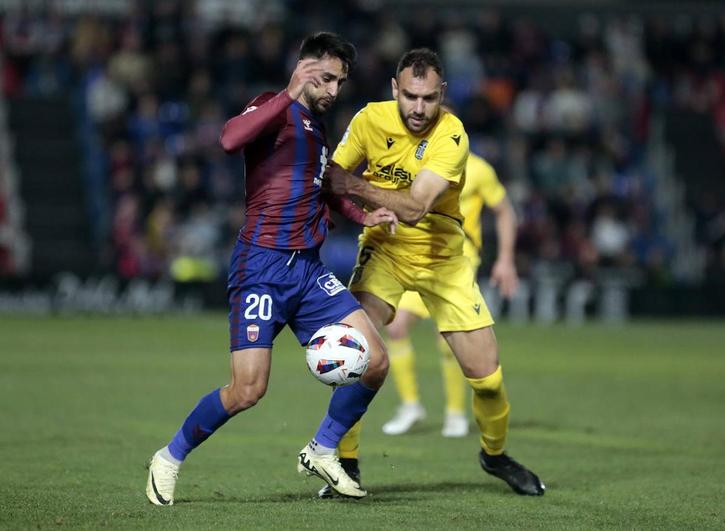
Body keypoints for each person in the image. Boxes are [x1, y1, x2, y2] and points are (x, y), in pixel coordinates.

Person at [145, 32, 397, 506]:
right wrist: (287, 92)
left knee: (377, 361)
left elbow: (322, 191)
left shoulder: (316, 130)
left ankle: (322, 449)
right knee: (247, 389)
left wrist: (366, 215)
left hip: (307, 270)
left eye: (339, 83)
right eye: (326, 79)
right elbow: (226, 139)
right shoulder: (271, 108)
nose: (333, 91)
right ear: (304, 69)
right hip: (261, 267)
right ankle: (169, 456)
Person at [321, 48, 544, 497]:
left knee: (488, 378)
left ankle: (494, 455)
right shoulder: (368, 120)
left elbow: (416, 207)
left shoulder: (453, 135)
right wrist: (344, 196)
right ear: (394, 90)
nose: (418, 108)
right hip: (384, 250)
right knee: (355, 351)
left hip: (444, 258)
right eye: (409, 96)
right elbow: (330, 178)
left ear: (442, 93)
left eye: (428, 98)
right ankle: (343, 463)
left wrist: (356, 186)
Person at [380, 150, 519, 439]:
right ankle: (410, 406)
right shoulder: (417, 163)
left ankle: (455, 414)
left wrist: (505, 259)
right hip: (417, 259)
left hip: (457, 261)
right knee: (395, 328)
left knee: (448, 338)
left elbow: (504, 210)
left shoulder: (478, 168)